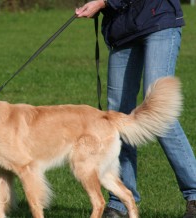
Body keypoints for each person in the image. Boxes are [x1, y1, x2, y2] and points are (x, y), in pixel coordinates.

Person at [75, 0, 196, 217]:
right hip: (122, 30)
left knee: (159, 112)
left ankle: (194, 194)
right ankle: (122, 200)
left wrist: (104, 2)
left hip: (158, 19)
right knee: (117, 119)